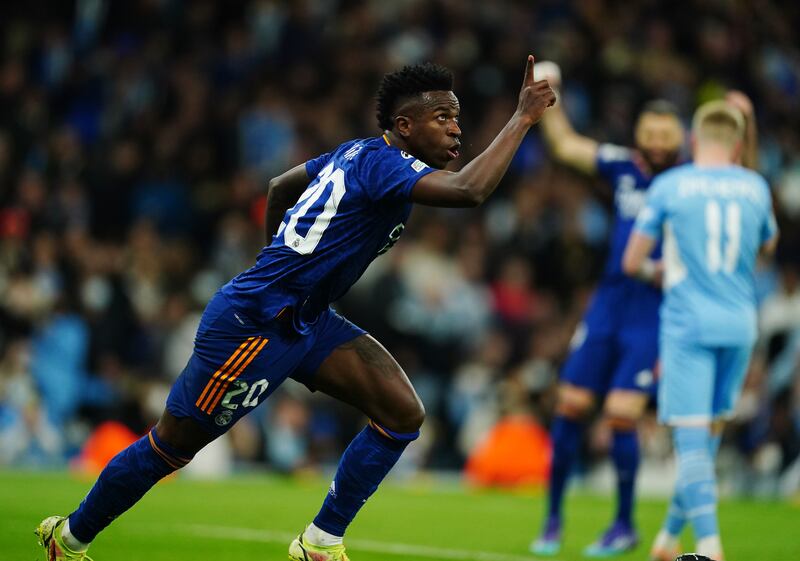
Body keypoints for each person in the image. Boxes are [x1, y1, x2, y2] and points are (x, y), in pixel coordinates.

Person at [35, 57, 556, 561]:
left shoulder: (356, 152)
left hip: (305, 318)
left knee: (401, 412)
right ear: (404, 125)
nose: (455, 130)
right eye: (443, 117)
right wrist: (522, 117)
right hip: (253, 325)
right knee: (171, 447)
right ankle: (71, 536)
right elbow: (470, 189)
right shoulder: (383, 162)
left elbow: (279, 186)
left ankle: (321, 541)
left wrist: (278, 258)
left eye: (457, 118)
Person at [530, 61, 686, 557]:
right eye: (650, 131)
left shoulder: (689, 181)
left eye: (666, 133)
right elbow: (565, 145)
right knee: (570, 405)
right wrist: (547, 94)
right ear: (639, 132)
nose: (657, 141)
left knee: (621, 415)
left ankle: (623, 524)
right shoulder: (624, 165)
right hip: (608, 304)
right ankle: (553, 520)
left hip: (653, 310)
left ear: (680, 137)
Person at [623, 100, 778, 561]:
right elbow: (766, 247)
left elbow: (632, 262)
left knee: (690, 440)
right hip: (739, 323)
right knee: (706, 440)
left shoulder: (672, 185)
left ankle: (710, 550)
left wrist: (663, 271)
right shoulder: (756, 186)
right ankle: (668, 542)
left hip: (689, 324)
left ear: (693, 141)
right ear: (736, 147)